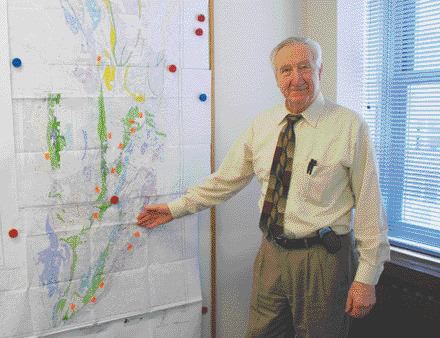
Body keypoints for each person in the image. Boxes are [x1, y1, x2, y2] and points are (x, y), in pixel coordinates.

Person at [136, 36, 390, 337]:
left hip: (322, 259)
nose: (296, 78)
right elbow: (226, 180)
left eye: (304, 67)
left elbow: (370, 204)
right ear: (277, 78)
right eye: (286, 70)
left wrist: (367, 278)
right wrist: (174, 209)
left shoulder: (349, 126)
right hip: (271, 252)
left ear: (319, 71)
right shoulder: (264, 124)